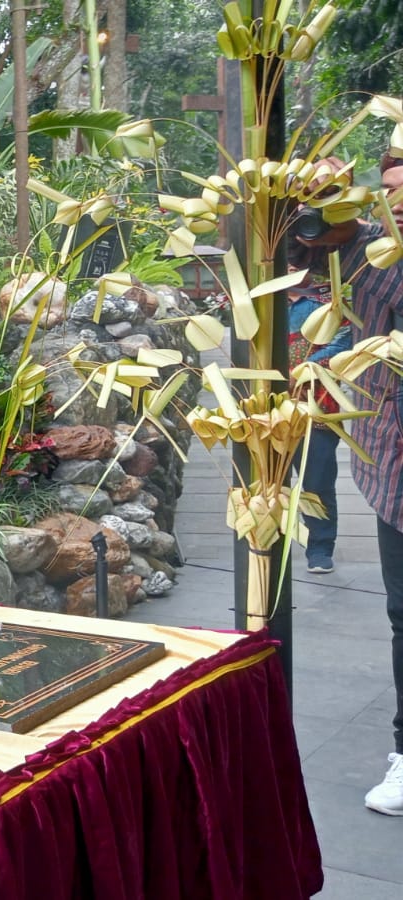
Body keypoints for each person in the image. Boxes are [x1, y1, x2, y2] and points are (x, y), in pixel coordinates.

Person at [296, 157, 403, 815]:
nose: (395, 198)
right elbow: (297, 246)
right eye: (387, 188)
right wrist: (314, 201)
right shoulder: (362, 247)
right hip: (395, 455)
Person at [283, 244, 352, 575]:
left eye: (296, 262)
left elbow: (345, 340)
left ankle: (320, 547)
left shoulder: (330, 303)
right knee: (271, 479)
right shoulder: (261, 304)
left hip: (318, 403)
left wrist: (309, 366)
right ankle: (272, 540)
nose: (290, 269)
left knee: (317, 479)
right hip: (268, 406)